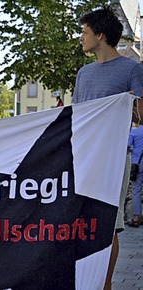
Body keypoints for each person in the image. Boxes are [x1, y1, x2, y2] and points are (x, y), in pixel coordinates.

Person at [73, 7, 143, 290]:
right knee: (81, 220)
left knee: (108, 223)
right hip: (82, 155)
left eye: (85, 32)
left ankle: (106, 284)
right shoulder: (83, 73)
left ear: (100, 35)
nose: (81, 38)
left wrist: (126, 107)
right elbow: (77, 115)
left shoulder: (132, 69)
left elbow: (141, 115)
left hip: (113, 157)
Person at [128, 125, 143, 227]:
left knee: (136, 190)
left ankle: (137, 218)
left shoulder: (135, 132)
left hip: (138, 163)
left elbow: (127, 146)